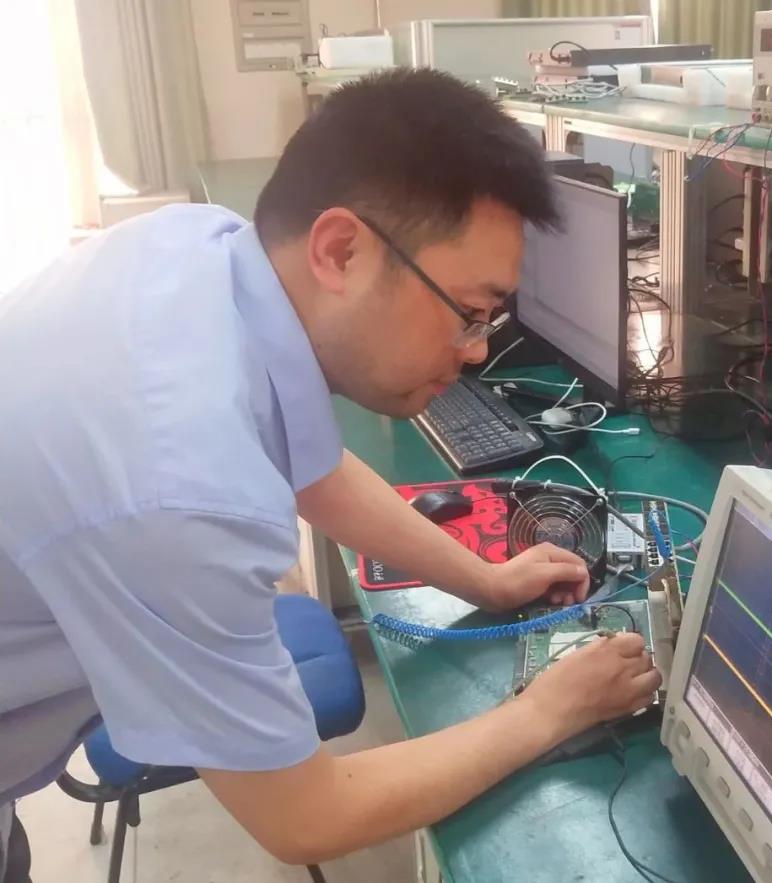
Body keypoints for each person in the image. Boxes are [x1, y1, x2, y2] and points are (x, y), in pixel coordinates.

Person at [0, 68, 660, 877]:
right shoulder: (183, 487)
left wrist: (487, 580)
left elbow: (316, 468)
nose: (478, 350)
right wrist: (548, 710)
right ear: (341, 250)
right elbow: (308, 814)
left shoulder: (196, 248)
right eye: (469, 312)